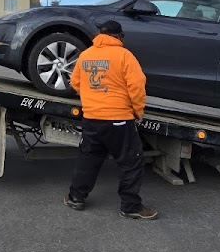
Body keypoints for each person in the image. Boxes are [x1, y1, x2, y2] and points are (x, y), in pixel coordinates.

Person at [64, 19, 159, 219]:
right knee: (130, 162)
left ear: (100, 34)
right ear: (119, 36)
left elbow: (75, 82)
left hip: (91, 118)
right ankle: (131, 206)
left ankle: (76, 197)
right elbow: (137, 85)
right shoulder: (124, 55)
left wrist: (92, 98)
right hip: (119, 119)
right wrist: (138, 110)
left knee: (88, 160)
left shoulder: (86, 55)